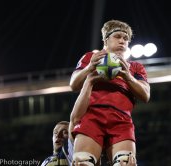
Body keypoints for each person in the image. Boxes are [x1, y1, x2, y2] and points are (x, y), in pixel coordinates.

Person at [69, 19, 150, 166]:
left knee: (125, 164)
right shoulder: (90, 58)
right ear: (106, 40)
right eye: (118, 36)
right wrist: (89, 69)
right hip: (92, 116)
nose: (122, 41)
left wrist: (128, 77)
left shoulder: (135, 67)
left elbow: (145, 95)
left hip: (121, 120)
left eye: (126, 38)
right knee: (82, 163)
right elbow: (73, 84)